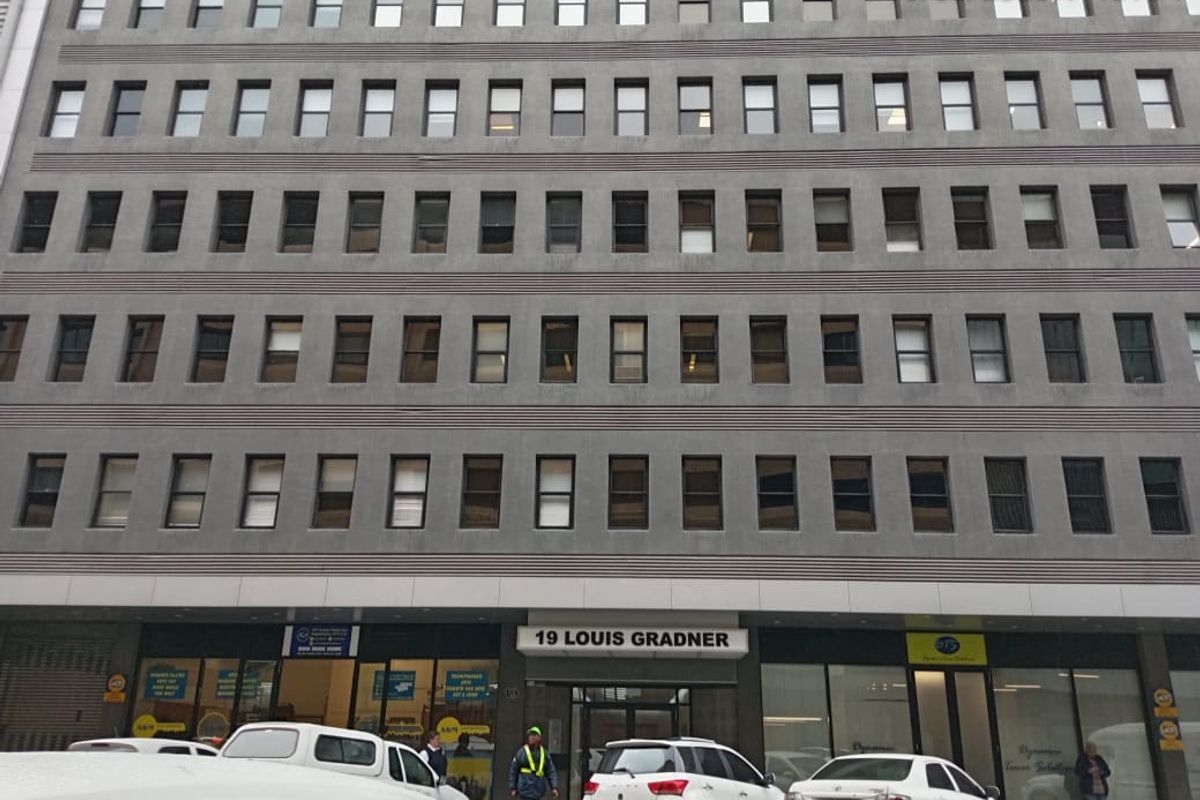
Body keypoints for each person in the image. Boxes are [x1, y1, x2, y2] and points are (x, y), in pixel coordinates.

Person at [509, 725, 558, 800]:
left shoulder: (544, 754)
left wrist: (554, 787)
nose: (531, 737)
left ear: (539, 738)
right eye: (530, 735)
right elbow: (514, 770)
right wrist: (513, 788)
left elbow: (551, 771)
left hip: (538, 792)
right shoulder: (521, 753)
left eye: (534, 735)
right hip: (525, 791)